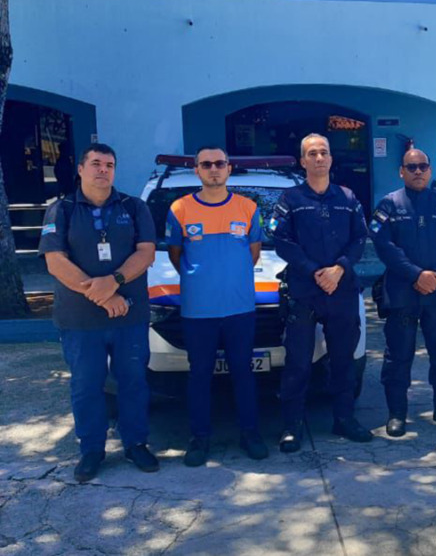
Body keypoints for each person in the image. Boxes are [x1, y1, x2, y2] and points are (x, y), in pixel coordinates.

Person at [40, 143, 158, 482]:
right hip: (80, 320)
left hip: (129, 316)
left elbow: (146, 253)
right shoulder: (60, 210)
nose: (103, 170)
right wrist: (105, 296)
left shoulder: (134, 207)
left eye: (109, 164)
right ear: (81, 169)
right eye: (96, 163)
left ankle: (136, 443)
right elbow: (55, 261)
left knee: (133, 382)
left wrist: (114, 281)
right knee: (86, 385)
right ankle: (91, 450)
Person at [166, 147, 268, 466]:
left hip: (240, 309)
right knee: (199, 375)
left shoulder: (248, 208)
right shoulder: (180, 208)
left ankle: (250, 433)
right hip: (198, 312)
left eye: (219, 163)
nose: (214, 169)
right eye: (206, 164)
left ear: (228, 168)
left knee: (243, 373)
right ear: (196, 170)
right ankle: (199, 438)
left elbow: (253, 253)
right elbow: (175, 255)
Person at [272, 133, 371, 448]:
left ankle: (344, 419)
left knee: (343, 360)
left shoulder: (348, 197)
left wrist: (339, 268)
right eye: (312, 153)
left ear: (331, 158)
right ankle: (292, 426)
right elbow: (281, 240)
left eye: (323, 152)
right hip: (304, 291)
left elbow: (360, 239)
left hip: (342, 290)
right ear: (303, 161)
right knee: (298, 363)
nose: (318, 158)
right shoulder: (290, 199)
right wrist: (314, 270)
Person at [370, 148, 436, 437]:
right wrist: (416, 274)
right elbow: (384, 245)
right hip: (402, 292)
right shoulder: (389, 204)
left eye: (423, 166)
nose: (417, 171)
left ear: (430, 170)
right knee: (398, 356)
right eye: (411, 167)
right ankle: (397, 414)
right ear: (401, 171)